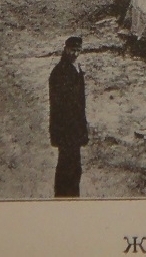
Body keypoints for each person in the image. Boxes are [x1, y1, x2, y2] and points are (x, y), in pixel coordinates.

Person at [48, 35, 88, 197]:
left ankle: (71, 196)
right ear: (65, 49)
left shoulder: (75, 68)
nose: (75, 54)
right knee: (67, 166)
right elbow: (58, 107)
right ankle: (64, 198)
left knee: (74, 167)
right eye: (72, 50)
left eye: (78, 50)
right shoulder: (60, 73)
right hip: (66, 128)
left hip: (74, 127)